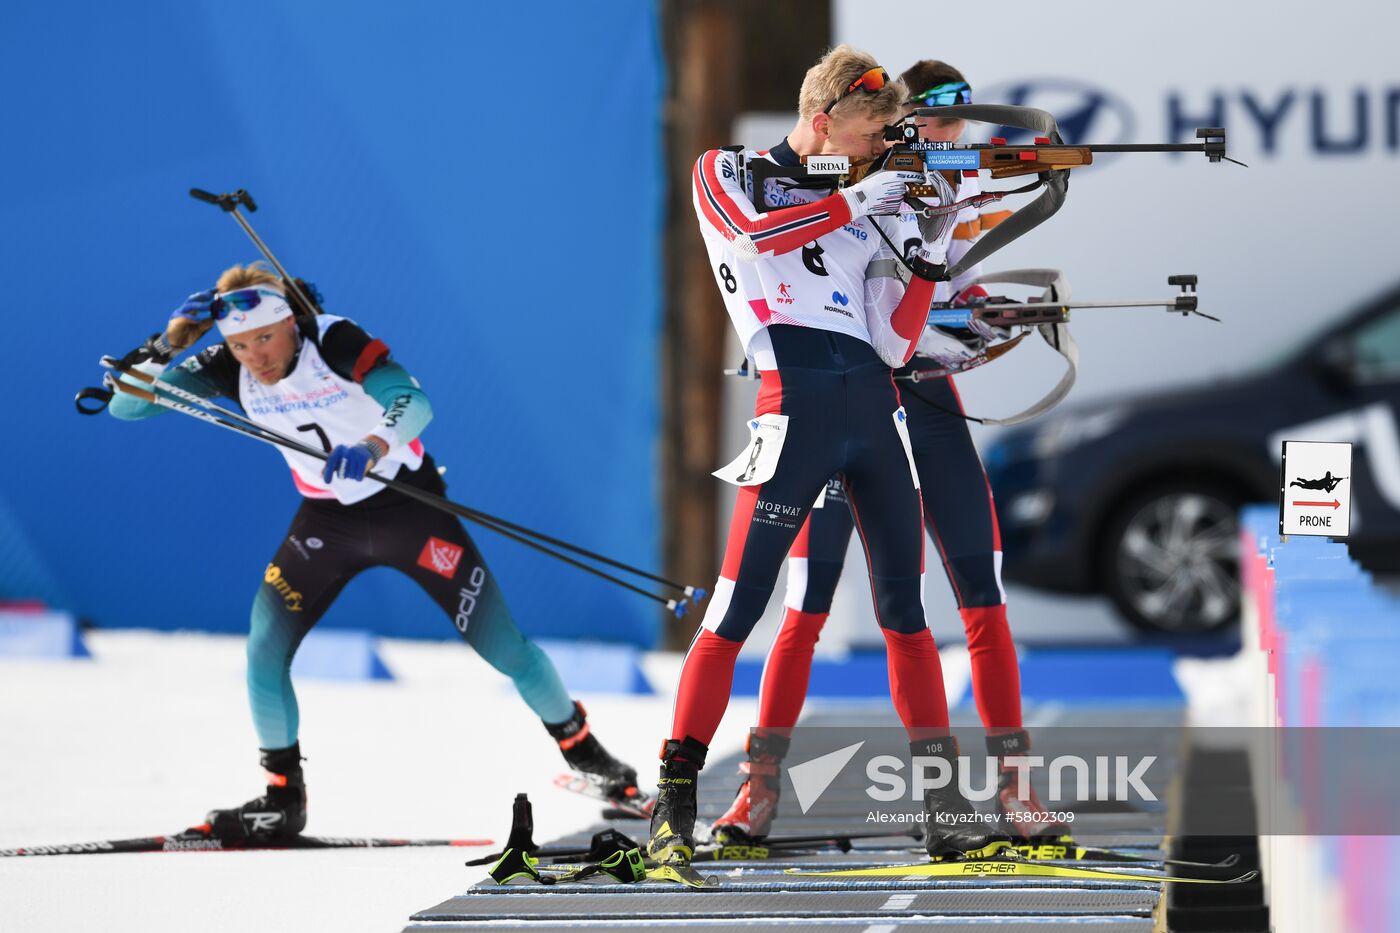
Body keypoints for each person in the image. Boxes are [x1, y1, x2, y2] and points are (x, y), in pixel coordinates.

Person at [108, 264, 637, 839]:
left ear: (290, 323)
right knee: (263, 649)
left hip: (409, 511)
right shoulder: (223, 368)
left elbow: (414, 402)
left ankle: (593, 761)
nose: (254, 356)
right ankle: (283, 797)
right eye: (239, 344)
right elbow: (127, 407)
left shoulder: (333, 340)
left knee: (505, 647)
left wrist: (374, 442)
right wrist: (166, 343)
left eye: (264, 338)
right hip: (326, 525)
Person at [649, 45, 1001, 866]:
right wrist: (860, 200)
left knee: (905, 615)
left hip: (873, 413)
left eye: (888, 133)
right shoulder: (727, 169)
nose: (883, 143)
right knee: (736, 612)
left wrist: (927, 248)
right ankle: (673, 804)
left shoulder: (867, 198)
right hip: (794, 409)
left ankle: (944, 807)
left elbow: (895, 339)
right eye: (874, 127)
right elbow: (750, 237)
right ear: (823, 118)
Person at [707, 60, 1064, 848]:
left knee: (981, 585)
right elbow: (796, 263)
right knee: (806, 601)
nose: (944, 138)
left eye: (955, 126)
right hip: (851, 402)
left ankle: (1012, 787)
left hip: (924, 405)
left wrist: (986, 321)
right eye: (926, 125)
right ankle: (758, 789)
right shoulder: (857, 181)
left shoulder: (940, 189)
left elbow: (939, 302)